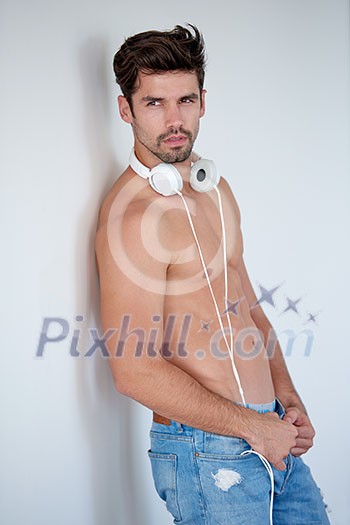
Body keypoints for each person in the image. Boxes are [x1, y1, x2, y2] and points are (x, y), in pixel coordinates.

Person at [95, 24, 330, 525]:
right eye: (154, 103)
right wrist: (249, 426)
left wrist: (286, 400)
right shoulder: (131, 219)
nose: (174, 119)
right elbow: (133, 369)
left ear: (203, 101)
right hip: (206, 451)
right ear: (125, 109)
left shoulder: (214, 190)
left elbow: (247, 306)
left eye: (184, 99)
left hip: (267, 430)